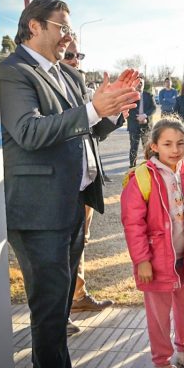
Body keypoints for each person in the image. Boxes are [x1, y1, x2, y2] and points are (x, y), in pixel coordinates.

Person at [0, 0, 139, 368]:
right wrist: (93, 109)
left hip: (74, 203)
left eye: (70, 29)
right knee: (48, 307)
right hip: (38, 210)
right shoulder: (13, 73)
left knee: (60, 305)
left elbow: (84, 131)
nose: (68, 36)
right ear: (34, 27)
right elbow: (28, 131)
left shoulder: (70, 76)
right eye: (62, 27)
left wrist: (111, 112)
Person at [121, 116, 184, 368]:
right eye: (168, 143)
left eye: (181, 143)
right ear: (154, 145)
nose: (175, 149)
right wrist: (142, 261)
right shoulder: (142, 177)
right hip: (155, 262)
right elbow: (132, 223)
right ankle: (161, 364)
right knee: (159, 316)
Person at [59, 38, 114, 319]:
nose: (74, 59)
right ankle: (60, 313)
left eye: (77, 54)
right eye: (68, 54)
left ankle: (78, 296)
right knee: (62, 250)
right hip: (61, 185)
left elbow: (95, 132)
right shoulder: (49, 86)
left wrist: (114, 110)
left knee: (80, 244)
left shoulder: (80, 85)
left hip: (85, 183)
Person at [128, 76, 157, 168]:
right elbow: (127, 109)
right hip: (133, 125)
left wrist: (145, 116)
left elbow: (153, 108)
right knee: (133, 148)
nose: (140, 84)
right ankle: (132, 167)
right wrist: (138, 118)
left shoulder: (149, 95)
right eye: (138, 82)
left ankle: (149, 166)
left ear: (143, 85)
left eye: (141, 83)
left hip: (146, 126)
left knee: (148, 148)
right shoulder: (130, 95)